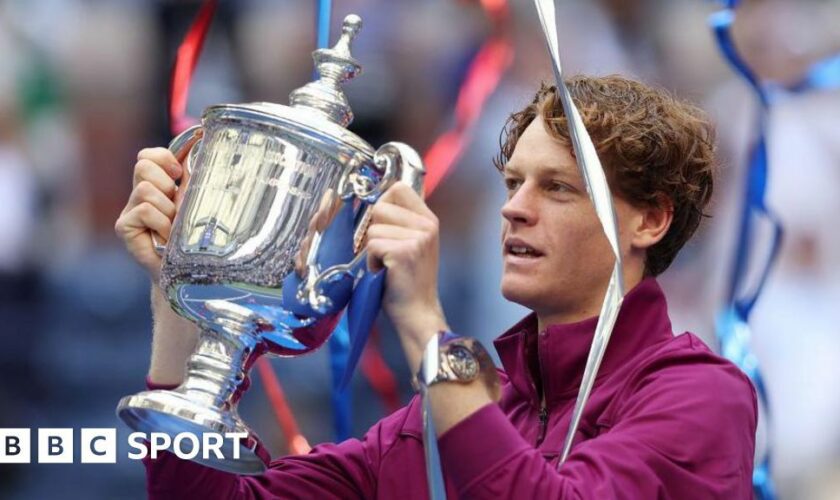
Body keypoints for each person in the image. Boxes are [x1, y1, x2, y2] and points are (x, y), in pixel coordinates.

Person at [115, 75, 756, 499]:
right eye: (513, 184)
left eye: (557, 187)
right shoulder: (446, 412)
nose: (515, 208)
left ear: (650, 218)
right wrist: (180, 295)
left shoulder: (701, 397)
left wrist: (423, 322)